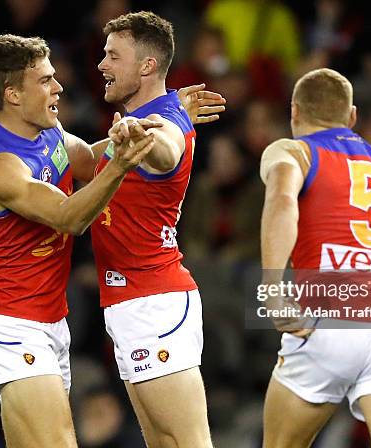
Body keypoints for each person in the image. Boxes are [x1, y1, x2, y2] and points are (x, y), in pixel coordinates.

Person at [0, 34, 224, 448]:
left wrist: (168, 118)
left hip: (50, 318)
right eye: (46, 81)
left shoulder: (47, 135)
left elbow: (91, 159)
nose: (58, 88)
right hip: (13, 322)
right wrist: (121, 165)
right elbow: (70, 218)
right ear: (13, 94)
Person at [259, 68, 371, 448]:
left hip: (324, 323)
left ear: (294, 111)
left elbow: (283, 201)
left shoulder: (293, 151)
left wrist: (272, 289)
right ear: (352, 117)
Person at [90, 11, 222, 447]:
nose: (102, 65)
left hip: (154, 300)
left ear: (146, 66)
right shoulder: (161, 114)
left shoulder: (158, 125)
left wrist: (147, 137)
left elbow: (166, 151)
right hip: (131, 301)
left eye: (113, 55)